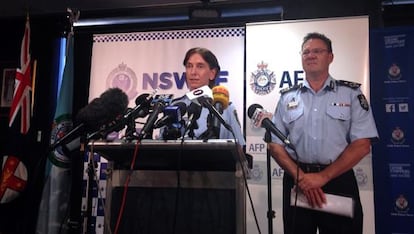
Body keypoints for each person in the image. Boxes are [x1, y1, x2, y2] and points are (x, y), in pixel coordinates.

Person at [268, 32, 378, 234]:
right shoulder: (287, 97)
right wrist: (301, 177)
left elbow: (362, 144)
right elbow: (274, 144)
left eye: (317, 51)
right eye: (306, 52)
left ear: (331, 57)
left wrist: (322, 177)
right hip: (297, 180)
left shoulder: (351, 94)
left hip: (338, 180)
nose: (310, 55)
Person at [165, 47, 245, 146]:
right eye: (189, 66)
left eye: (200, 66)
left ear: (212, 73)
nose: (193, 72)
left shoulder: (225, 108)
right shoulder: (175, 105)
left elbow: (239, 149)